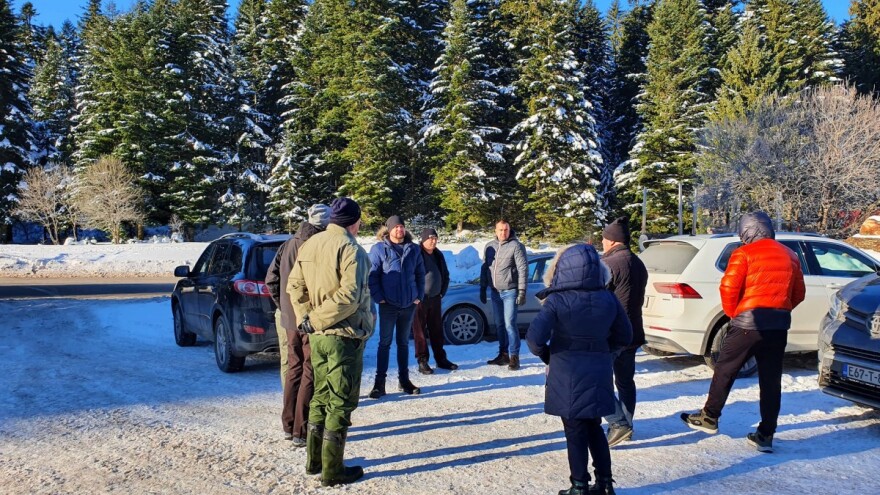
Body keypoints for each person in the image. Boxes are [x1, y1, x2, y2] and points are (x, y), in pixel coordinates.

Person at [681, 211, 805, 453]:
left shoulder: (744, 253)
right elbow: (798, 293)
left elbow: (728, 286)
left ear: (747, 231)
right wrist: (780, 309)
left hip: (748, 323)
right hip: (778, 326)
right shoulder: (790, 255)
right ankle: (766, 434)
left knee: (725, 369)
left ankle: (709, 416)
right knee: (771, 380)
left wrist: (733, 313)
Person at [527, 244, 632, 495]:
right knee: (594, 426)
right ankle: (605, 484)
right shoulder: (608, 298)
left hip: (567, 373)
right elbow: (625, 336)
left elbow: (534, 340)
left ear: (563, 269)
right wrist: (607, 352)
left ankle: (579, 486)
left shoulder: (557, 300)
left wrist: (548, 356)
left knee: (574, 431)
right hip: (598, 372)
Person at [288, 197, 375, 486]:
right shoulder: (352, 249)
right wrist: (317, 319)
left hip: (317, 337)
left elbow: (294, 285)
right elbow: (350, 297)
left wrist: (306, 318)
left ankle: (314, 462)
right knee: (340, 402)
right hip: (342, 336)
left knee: (321, 396)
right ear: (355, 222)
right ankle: (332, 470)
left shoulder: (310, 244)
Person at [265, 204, 330, 446]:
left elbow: (270, 279)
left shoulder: (288, 243)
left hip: (290, 319)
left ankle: (288, 424)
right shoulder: (320, 245)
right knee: (310, 369)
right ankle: (300, 431)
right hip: (310, 317)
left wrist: (283, 305)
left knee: (294, 368)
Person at [600, 217, 648, 448]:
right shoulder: (638, 262)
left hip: (612, 334)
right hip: (633, 331)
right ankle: (626, 424)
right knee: (626, 382)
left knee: (599, 381)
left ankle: (619, 423)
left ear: (610, 241)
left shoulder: (610, 264)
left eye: (603, 238)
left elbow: (599, 296)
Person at [368, 215, 426, 398]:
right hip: (388, 305)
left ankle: (404, 381)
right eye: (396, 227)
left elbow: (420, 274)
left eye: (401, 227)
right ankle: (380, 383)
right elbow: (372, 276)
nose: (399, 230)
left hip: (408, 304)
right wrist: (379, 297)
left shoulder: (414, 249)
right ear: (389, 229)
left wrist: (419, 295)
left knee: (403, 343)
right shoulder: (378, 249)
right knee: (384, 343)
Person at [480, 219, 528, 370]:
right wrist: (482, 287)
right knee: (499, 325)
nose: (503, 233)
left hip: (510, 291)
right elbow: (485, 268)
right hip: (495, 292)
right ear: (495, 231)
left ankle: (514, 356)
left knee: (509, 324)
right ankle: (503, 354)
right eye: (500, 230)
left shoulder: (516, 246)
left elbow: (523, 269)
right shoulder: (490, 246)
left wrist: (522, 291)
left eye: (506, 230)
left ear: (509, 230)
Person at [412, 228, 458, 374]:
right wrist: (414, 296)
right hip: (419, 300)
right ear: (423, 239)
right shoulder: (416, 254)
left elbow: (445, 274)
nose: (433, 241)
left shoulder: (438, 255)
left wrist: (441, 293)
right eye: (430, 238)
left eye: (435, 238)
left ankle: (441, 359)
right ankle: (422, 361)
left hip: (435, 298)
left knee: (437, 330)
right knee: (419, 332)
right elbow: (409, 276)